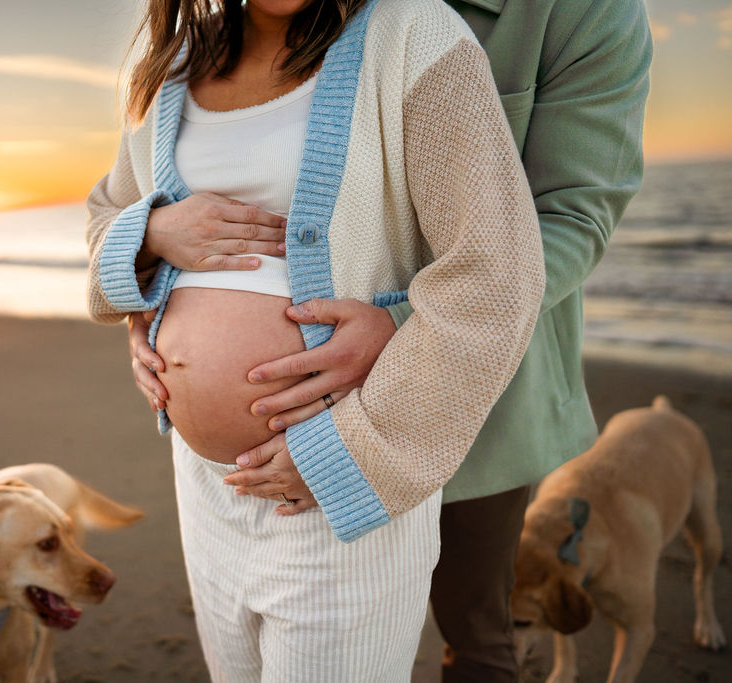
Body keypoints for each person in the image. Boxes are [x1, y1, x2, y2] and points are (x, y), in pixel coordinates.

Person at [126, 0, 653, 680]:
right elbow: (134, 196)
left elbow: (561, 221)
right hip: (222, 478)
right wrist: (149, 266)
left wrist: (402, 331)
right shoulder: (188, 55)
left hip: (463, 388)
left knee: (478, 624)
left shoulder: (501, 21)